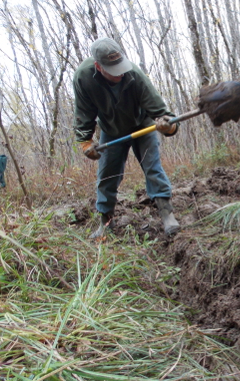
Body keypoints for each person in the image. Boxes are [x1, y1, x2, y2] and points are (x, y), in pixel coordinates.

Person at [73, 37, 180, 239]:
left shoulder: (134, 74)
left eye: (120, 67)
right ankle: (106, 224)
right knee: (106, 176)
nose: (120, 73)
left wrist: (168, 125)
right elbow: (83, 114)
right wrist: (86, 142)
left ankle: (167, 215)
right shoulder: (83, 78)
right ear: (98, 66)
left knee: (153, 168)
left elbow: (162, 112)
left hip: (142, 124)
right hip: (112, 131)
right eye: (113, 70)